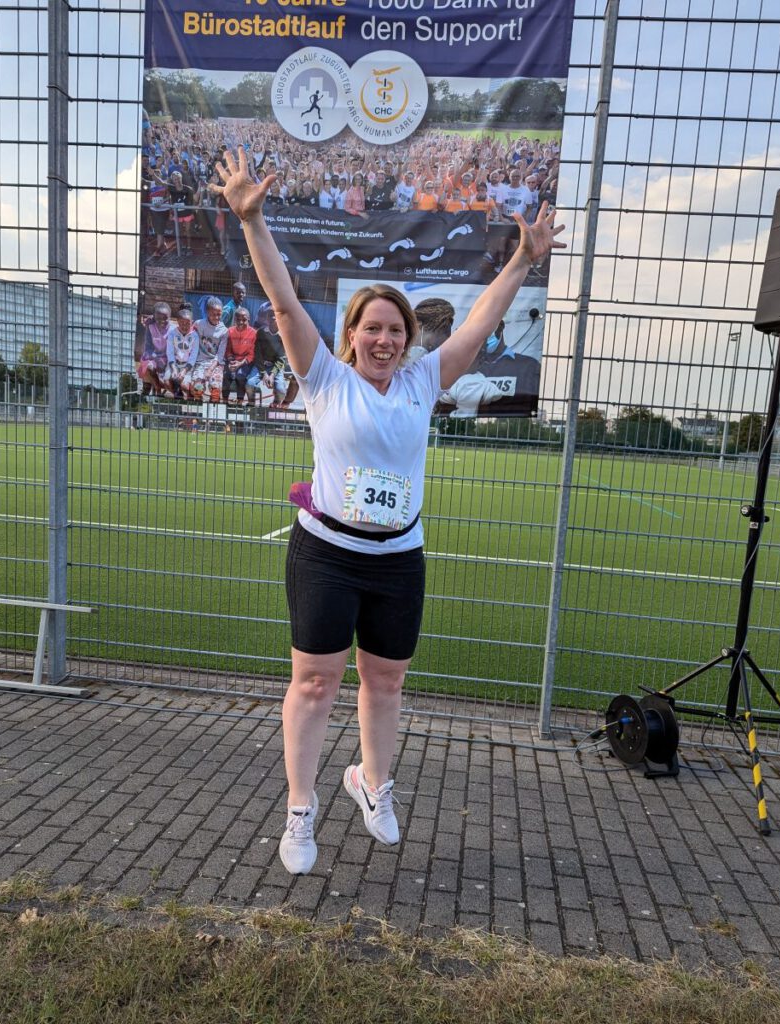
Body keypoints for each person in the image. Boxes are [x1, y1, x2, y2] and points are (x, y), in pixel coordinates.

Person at [213, 146, 564, 876]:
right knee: (314, 682)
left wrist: (524, 259)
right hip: (326, 554)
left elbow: (481, 318)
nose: (383, 339)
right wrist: (252, 220)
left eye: (395, 331)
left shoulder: (422, 381)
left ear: (409, 341)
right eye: (371, 328)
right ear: (350, 336)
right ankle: (300, 809)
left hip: (398, 558)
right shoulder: (322, 377)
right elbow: (281, 301)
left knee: (386, 681)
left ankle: (372, 785)